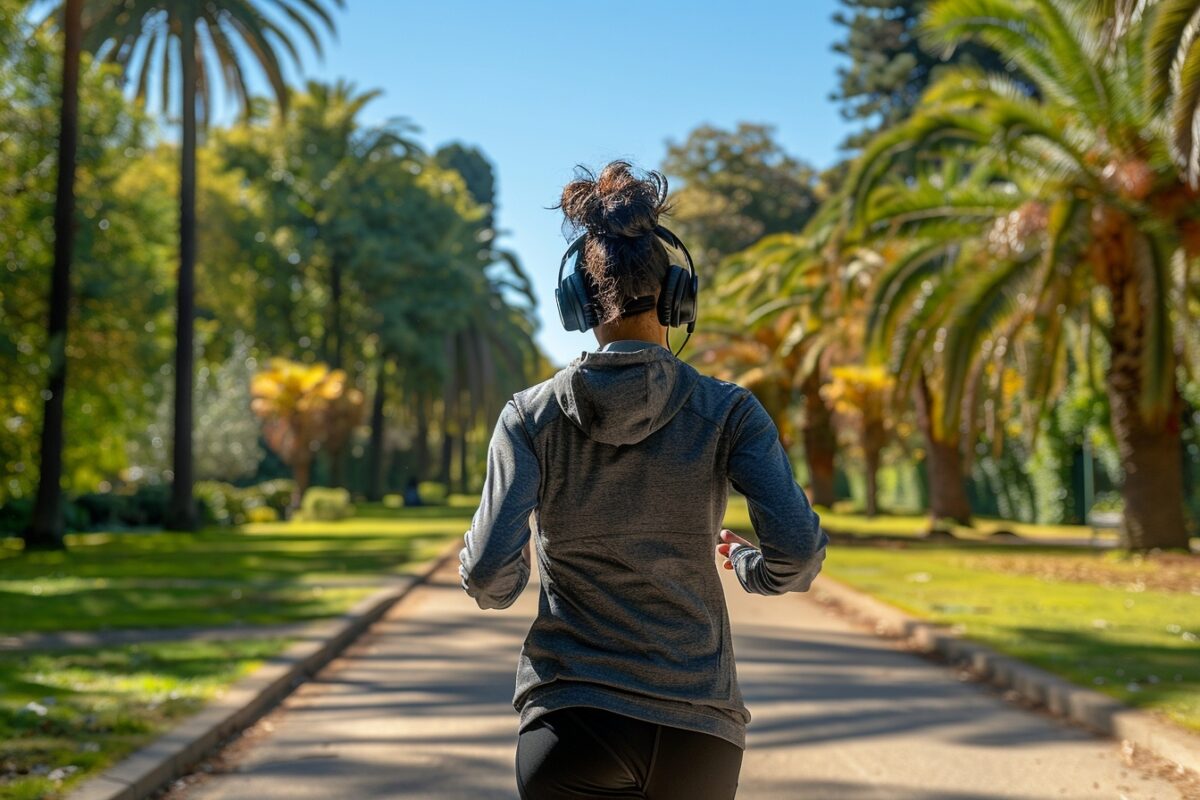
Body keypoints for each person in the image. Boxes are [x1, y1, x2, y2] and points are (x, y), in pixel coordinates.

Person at [458, 161, 828, 799]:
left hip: (567, 729)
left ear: (577, 305)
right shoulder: (729, 411)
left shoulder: (529, 415)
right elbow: (795, 553)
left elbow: (490, 572)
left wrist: (517, 573)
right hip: (697, 732)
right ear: (678, 298)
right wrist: (748, 568)